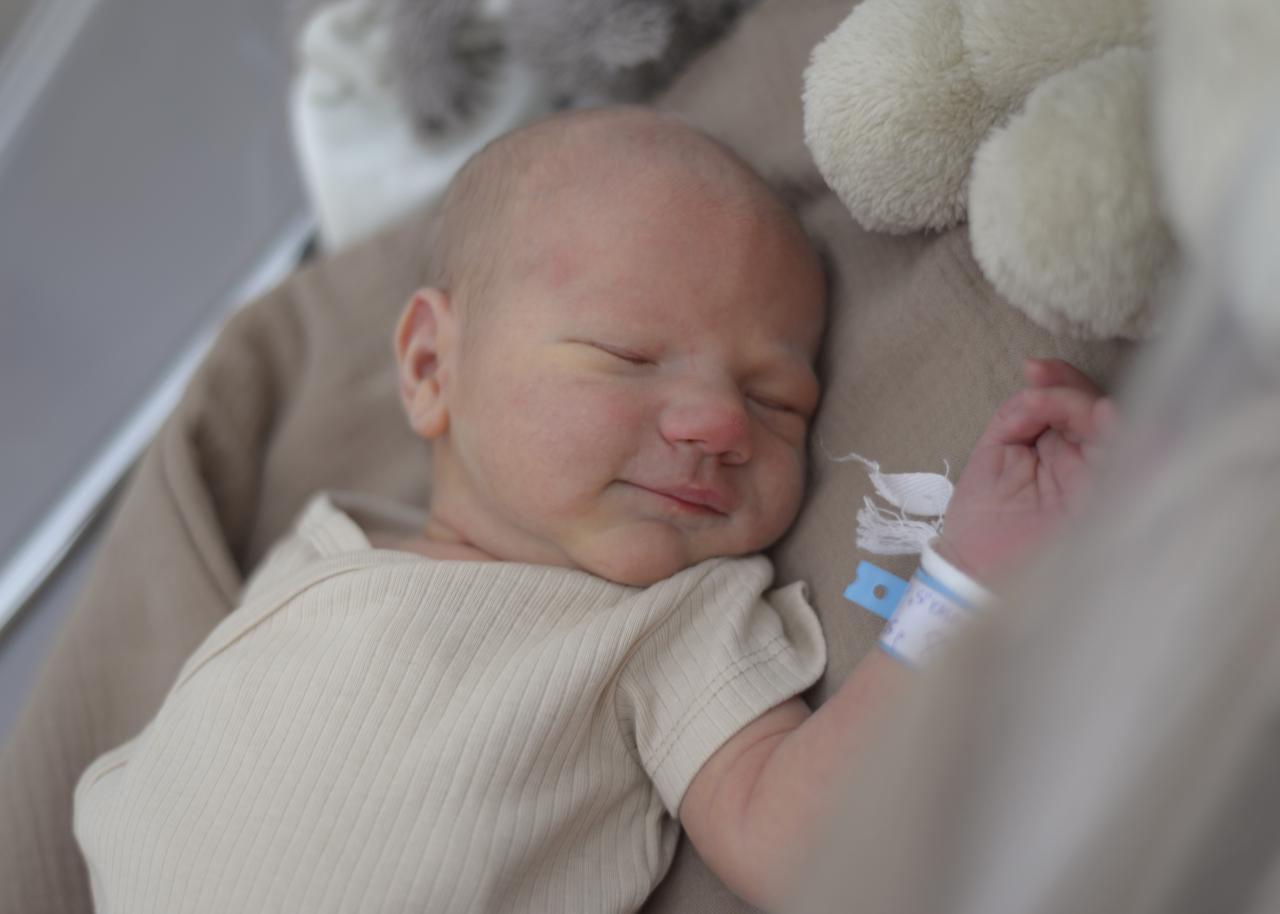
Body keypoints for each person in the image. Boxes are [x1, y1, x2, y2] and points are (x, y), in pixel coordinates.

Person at [72, 106, 1114, 913]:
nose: (719, 422)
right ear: (431, 367)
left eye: (776, 401)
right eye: (627, 356)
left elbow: (804, 846)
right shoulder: (320, 542)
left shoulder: (666, 625)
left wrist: (960, 586)